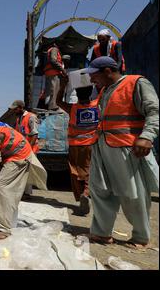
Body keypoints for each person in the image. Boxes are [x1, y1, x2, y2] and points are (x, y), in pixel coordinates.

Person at [86, 56, 159, 249]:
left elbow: (154, 111)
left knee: (132, 193)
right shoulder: (104, 90)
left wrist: (147, 136)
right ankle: (101, 233)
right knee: (99, 189)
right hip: (102, 145)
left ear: (107, 71)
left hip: (125, 147)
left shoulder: (136, 82)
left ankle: (141, 237)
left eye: (94, 76)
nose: (92, 80)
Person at [57, 78, 99, 216]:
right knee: (89, 171)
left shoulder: (73, 108)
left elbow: (58, 102)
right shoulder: (97, 105)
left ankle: (82, 194)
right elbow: (104, 92)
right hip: (91, 145)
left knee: (75, 171)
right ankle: (86, 193)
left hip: (75, 146)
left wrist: (63, 86)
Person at [10, 100, 40, 198]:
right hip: (22, 149)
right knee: (21, 170)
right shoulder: (19, 118)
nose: (13, 111)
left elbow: (35, 134)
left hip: (29, 149)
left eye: (15, 109)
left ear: (20, 107)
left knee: (27, 171)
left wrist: (29, 149)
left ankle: (26, 193)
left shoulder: (31, 117)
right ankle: (22, 192)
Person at [44, 43, 68, 111]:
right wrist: (62, 69)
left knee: (53, 91)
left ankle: (53, 105)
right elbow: (53, 60)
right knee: (54, 91)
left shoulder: (50, 50)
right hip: (53, 73)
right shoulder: (54, 49)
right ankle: (53, 106)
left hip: (50, 73)